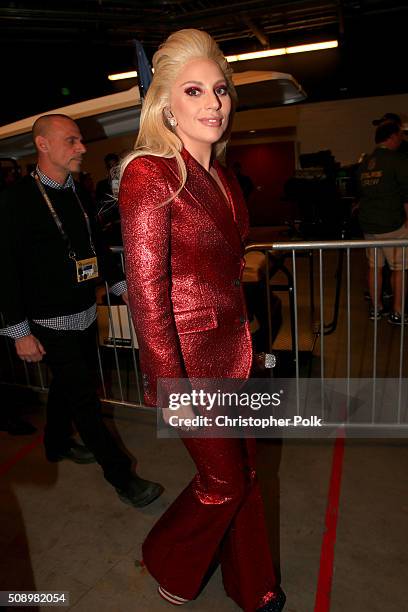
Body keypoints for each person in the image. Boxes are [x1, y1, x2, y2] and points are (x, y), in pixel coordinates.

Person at [119, 29, 285, 611]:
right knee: (223, 484)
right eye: (194, 91)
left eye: (220, 90)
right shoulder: (149, 174)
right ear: (166, 104)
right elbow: (146, 296)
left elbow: (228, 260)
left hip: (234, 353)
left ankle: (253, 585)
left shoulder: (222, 175)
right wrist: (171, 389)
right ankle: (166, 555)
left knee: (247, 476)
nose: (213, 103)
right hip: (187, 365)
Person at [0, 114, 163, 508]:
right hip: (47, 320)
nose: (82, 148)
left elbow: (96, 249)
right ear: (42, 145)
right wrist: (19, 331)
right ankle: (123, 478)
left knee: (68, 385)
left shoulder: (77, 191)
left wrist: (123, 288)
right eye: (72, 141)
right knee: (84, 398)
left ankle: (56, 444)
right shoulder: (15, 199)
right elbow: (3, 268)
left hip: (85, 312)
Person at [358, 121, 408, 324]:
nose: (401, 140)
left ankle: (376, 309)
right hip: (391, 224)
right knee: (399, 267)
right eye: (400, 136)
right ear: (392, 137)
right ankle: (398, 311)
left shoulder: (364, 162)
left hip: (369, 223)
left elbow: (360, 193)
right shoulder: (397, 160)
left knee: (374, 266)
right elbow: (406, 194)